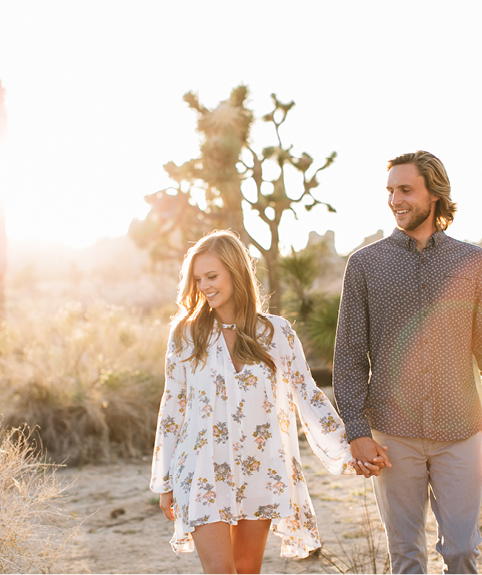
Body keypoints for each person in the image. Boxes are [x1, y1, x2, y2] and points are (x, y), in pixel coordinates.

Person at [333, 151, 482, 574]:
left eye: (405, 190)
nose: (395, 200)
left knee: (461, 551)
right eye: (390, 191)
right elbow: (347, 356)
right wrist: (357, 432)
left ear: (433, 194)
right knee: (406, 557)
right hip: (392, 436)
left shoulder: (472, 262)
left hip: (460, 431)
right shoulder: (364, 264)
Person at [150, 229, 371, 574]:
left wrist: (350, 445)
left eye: (212, 276)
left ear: (235, 273)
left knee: (247, 570)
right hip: (203, 467)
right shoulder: (186, 335)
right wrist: (164, 483)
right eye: (198, 279)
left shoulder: (276, 333)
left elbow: (308, 394)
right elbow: (172, 407)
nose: (205, 286)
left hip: (261, 467)